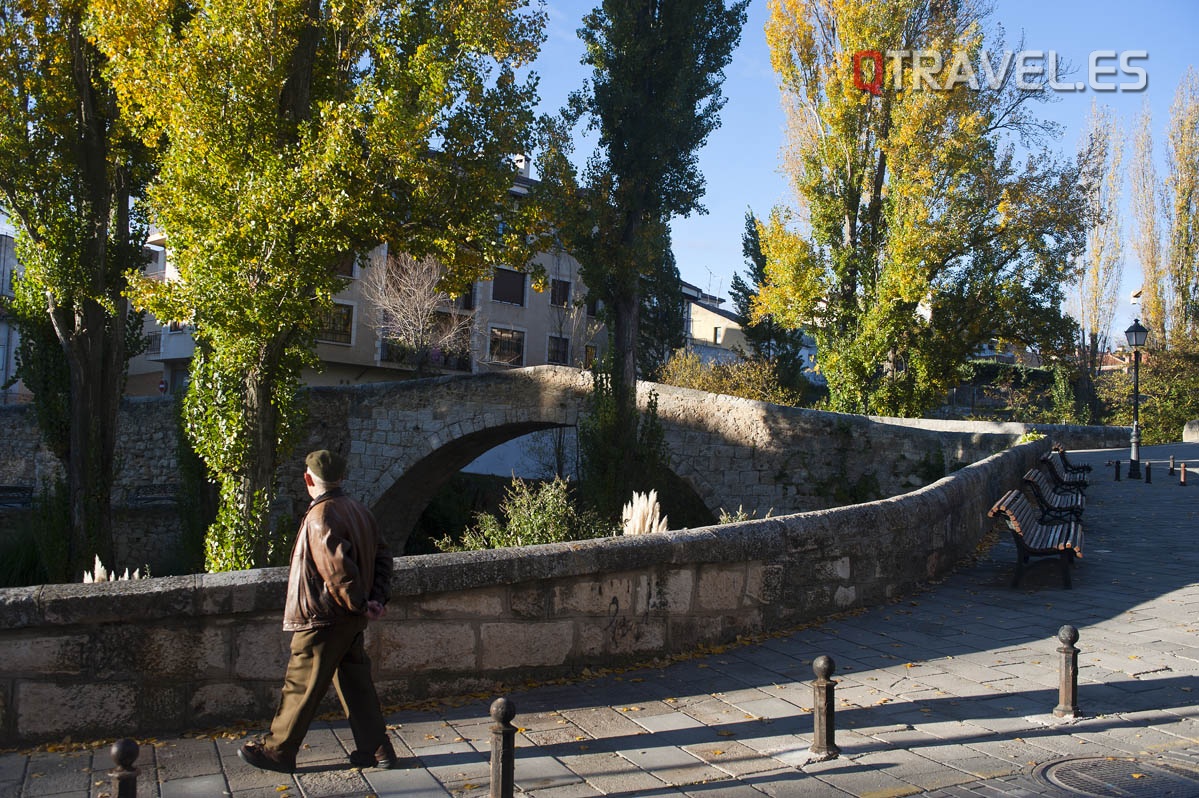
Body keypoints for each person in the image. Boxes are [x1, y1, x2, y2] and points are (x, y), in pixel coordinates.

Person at [239, 449, 397, 773]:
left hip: (322, 616)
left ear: (308, 479)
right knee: (356, 683)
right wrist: (375, 599)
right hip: (350, 618)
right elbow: (383, 558)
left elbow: (337, 569)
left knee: (301, 682)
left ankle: (278, 750)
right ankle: (379, 750)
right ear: (341, 478)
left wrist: (358, 602)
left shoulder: (319, 516)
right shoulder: (360, 510)